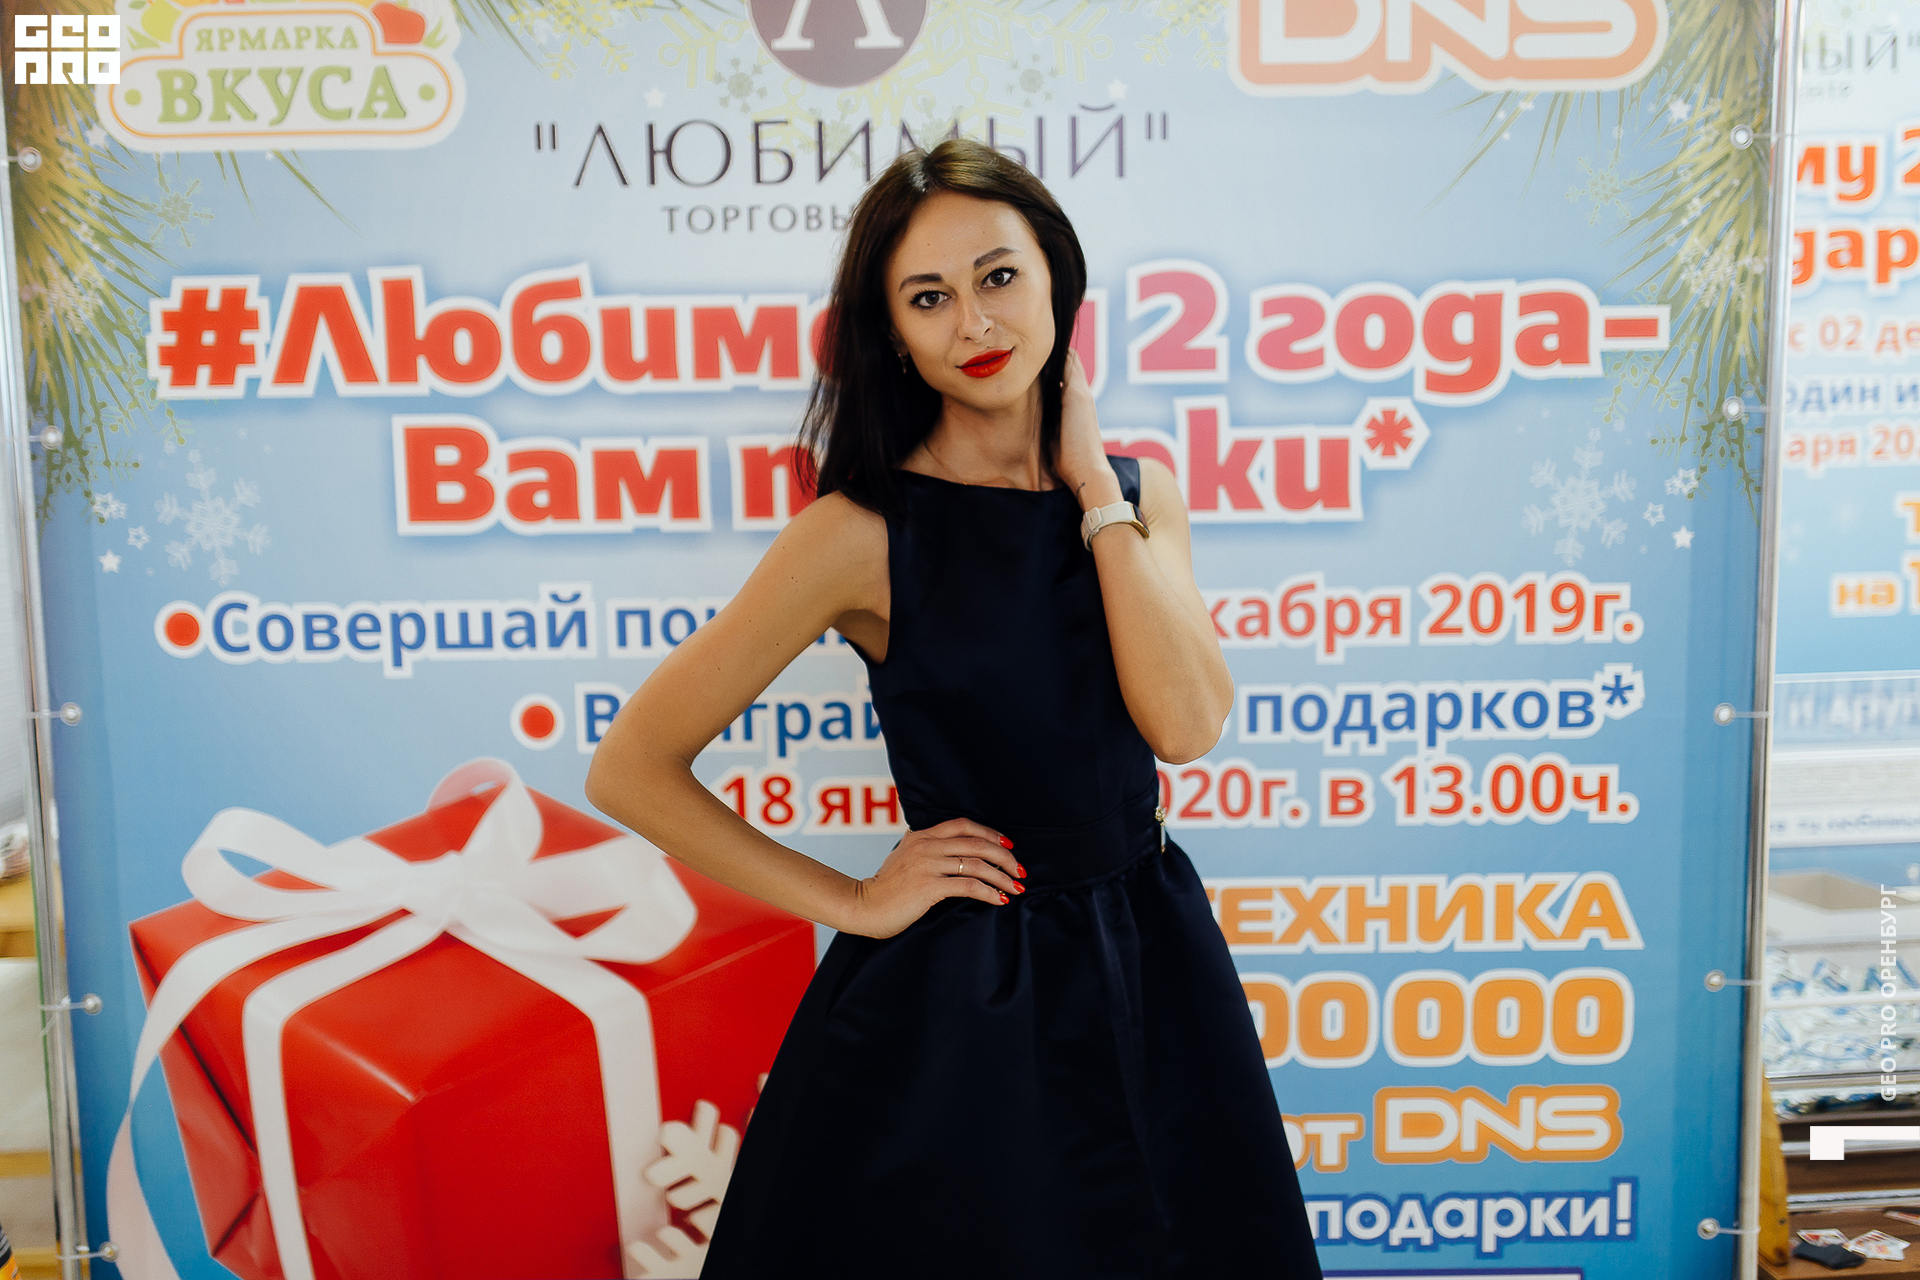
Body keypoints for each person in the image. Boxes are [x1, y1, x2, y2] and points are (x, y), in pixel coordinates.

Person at [584, 138, 1322, 1278]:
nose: (975, 322)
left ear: (1056, 278)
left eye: (999, 276)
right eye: (929, 297)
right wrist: (851, 898)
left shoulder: (1137, 494)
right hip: (971, 996)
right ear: (893, 333)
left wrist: (1092, 488)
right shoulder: (859, 533)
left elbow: (1186, 728)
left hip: (1154, 954)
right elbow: (630, 766)